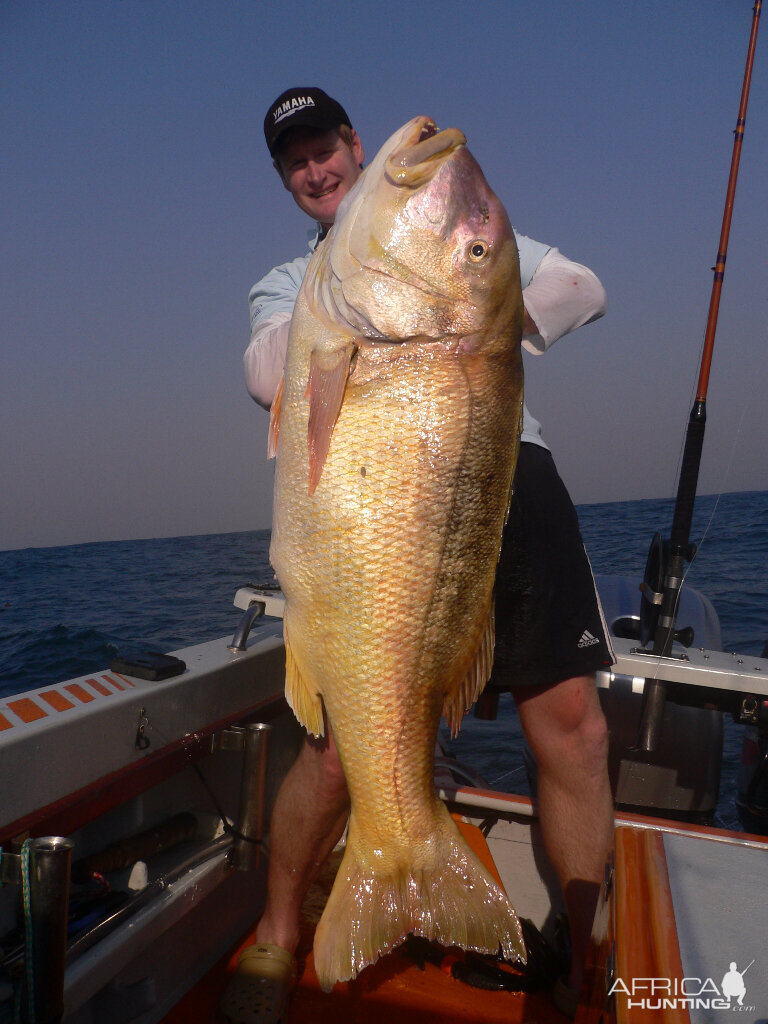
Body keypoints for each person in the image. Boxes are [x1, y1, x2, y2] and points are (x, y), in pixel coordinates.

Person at [224, 86, 613, 1023]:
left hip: (505, 484)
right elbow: (266, 372)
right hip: (373, 519)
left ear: (356, 147)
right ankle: (282, 929)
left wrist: (467, 306)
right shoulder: (290, 282)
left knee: (573, 729)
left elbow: (585, 289)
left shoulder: (444, 234)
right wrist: (396, 308)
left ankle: (586, 963)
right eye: (296, 160)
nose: (317, 168)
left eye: (327, 147)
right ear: (287, 181)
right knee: (332, 750)